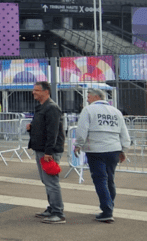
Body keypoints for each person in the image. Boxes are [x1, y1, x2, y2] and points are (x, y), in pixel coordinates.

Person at [73, 88, 131, 223]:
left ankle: (107, 210)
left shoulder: (88, 110)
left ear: (96, 97)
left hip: (95, 149)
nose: (87, 99)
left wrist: (78, 144)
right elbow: (124, 133)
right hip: (114, 150)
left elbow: (82, 130)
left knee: (100, 179)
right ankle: (109, 206)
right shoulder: (116, 112)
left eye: (88, 96)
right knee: (110, 179)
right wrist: (124, 150)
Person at [27, 81, 66, 224]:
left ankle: (58, 213)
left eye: (37, 90)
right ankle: (52, 208)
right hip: (42, 149)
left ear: (46, 92)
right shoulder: (43, 107)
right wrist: (31, 128)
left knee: (51, 182)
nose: (34, 92)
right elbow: (45, 128)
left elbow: (53, 131)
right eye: (34, 90)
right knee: (46, 181)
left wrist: (49, 152)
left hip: (48, 152)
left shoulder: (51, 108)